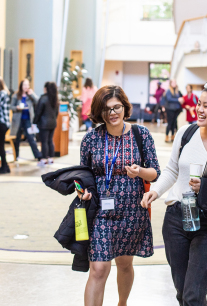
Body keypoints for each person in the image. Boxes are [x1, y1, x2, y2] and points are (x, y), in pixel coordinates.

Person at [141, 77, 207, 305]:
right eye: (198, 103)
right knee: (183, 293)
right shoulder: (186, 133)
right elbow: (171, 170)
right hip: (176, 221)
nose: (199, 109)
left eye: (206, 106)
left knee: (193, 295)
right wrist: (156, 191)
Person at [76, 85, 160, 306]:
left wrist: (140, 171)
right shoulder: (91, 139)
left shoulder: (141, 135)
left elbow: (154, 173)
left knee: (124, 264)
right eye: (106, 109)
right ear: (99, 111)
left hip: (132, 211)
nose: (112, 113)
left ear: (125, 107)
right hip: (100, 212)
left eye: (117, 107)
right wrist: (82, 191)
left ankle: (122, 303)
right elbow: (81, 176)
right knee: (99, 268)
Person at [10, 79, 41, 161]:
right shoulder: (16, 95)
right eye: (24, 85)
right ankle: (15, 155)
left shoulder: (30, 95)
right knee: (17, 138)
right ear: (21, 86)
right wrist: (17, 108)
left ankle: (38, 155)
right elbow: (11, 107)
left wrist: (32, 94)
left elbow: (38, 102)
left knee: (31, 138)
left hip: (28, 120)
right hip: (18, 120)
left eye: (27, 85)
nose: (26, 87)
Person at [33, 82, 59, 167]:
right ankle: (51, 158)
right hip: (53, 123)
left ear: (46, 88)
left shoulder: (43, 98)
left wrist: (34, 122)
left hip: (44, 123)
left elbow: (38, 112)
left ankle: (43, 159)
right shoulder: (55, 99)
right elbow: (56, 113)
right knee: (50, 140)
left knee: (44, 141)